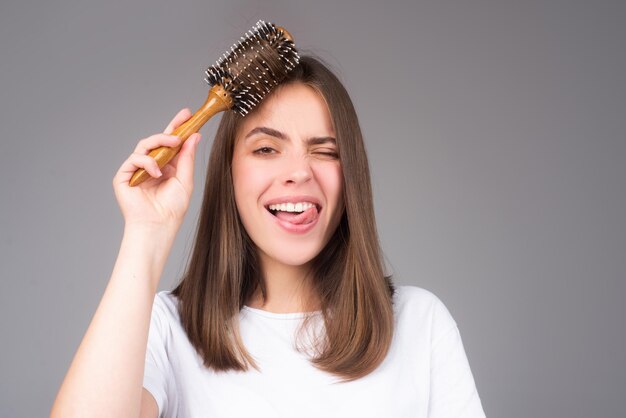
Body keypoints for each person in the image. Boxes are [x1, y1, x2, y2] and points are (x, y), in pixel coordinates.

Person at [50, 56, 486, 417]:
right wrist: (146, 232)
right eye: (266, 149)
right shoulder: (168, 330)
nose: (299, 172)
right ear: (228, 172)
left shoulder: (419, 324)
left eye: (325, 151)